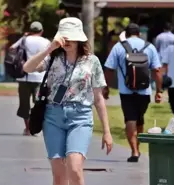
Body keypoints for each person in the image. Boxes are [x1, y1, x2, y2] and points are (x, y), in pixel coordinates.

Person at [23, 17, 113, 185]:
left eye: (71, 37)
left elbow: (98, 98)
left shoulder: (92, 61)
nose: (67, 41)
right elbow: (27, 68)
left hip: (80, 117)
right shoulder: (53, 58)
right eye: (64, 37)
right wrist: (50, 48)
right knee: (58, 175)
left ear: (79, 39)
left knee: (74, 168)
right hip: (53, 116)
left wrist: (107, 132)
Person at [103, 23, 163, 163]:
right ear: (139, 34)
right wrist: (159, 91)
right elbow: (157, 71)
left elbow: (109, 69)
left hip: (126, 91)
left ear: (127, 33)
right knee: (139, 119)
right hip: (145, 91)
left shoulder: (119, 47)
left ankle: (134, 151)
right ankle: (137, 147)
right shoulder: (149, 47)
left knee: (130, 119)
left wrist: (106, 87)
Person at [10, 21, 50, 136]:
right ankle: (37, 128)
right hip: (40, 77)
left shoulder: (25, 40)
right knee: (39, 103)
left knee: (24, 104)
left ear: (30, 30)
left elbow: (12, 49)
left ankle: (28, 129)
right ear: (42, 31)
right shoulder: (46, 42)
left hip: (24, 77)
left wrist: (24, 38)